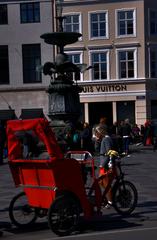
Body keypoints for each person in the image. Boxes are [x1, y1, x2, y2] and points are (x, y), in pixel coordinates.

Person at [95, 125, 113, 208]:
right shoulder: (103, 139)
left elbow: (109, 152)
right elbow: (97, 149)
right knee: (100, 182)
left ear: (101, 132)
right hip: (103, 163)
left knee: (105, 183)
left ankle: (110, 201)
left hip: (105, 164)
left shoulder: (106, 139)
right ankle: (108, 198)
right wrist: (97, 141)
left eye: (97, 132)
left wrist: (104, 164)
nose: (96, 134)